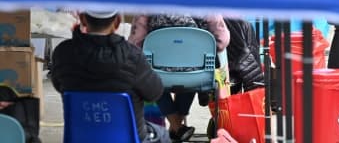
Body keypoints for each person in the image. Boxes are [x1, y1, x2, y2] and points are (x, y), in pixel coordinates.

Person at [50, 11, 170, 143]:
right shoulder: (133, 56)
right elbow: (154, 92)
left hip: (81, 138)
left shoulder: (63, 53)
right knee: (163, 134)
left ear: (83, 20)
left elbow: (58, 85)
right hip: (130, 138)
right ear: (117, 22)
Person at [129, 14, 230, 142]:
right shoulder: (205, 1)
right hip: (196, 75)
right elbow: (222, 40)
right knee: (192, 70)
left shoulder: (149, 4)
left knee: (151, 78)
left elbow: (135, 43)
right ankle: (177, 128)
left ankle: (176, 127)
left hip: (158, 75)